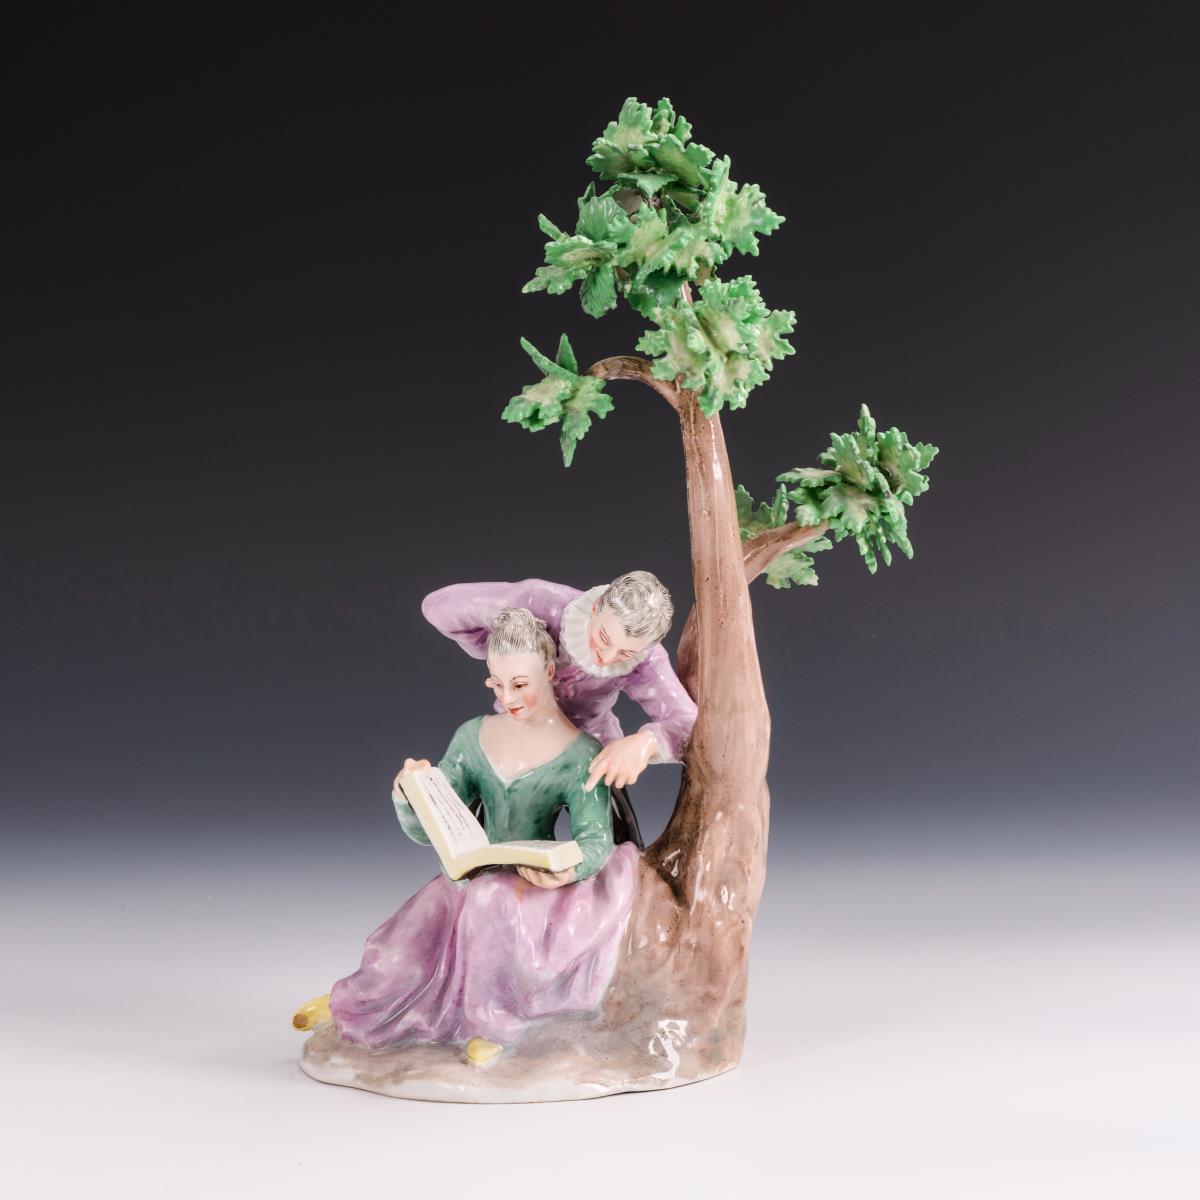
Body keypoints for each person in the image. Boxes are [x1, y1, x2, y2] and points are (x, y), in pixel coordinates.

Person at [293, 608, 639, 1060]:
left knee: (489, 900)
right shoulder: (473, 736)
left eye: (520, 684)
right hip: (476, 867)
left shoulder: (580, 753)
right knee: (420, 920)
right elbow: (437, 827)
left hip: (532, 884)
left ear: (550, 673)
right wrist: (412, 795)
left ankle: (492, 1023)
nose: (508, 697)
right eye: (497, 684)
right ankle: (359, 1002)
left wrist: (568, 868)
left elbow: (595, 840)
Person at [421, 571, 698, 844]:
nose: (606, 657)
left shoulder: (646, 661)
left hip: (589, 749)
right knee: (476, 835)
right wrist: (500, 649)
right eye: (604, 638)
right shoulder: (541, 603)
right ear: (596, 606)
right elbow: (438, 608)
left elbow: (689, 722)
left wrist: (647, 742)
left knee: (616, 841)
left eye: (626, 653)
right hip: (518, 734)